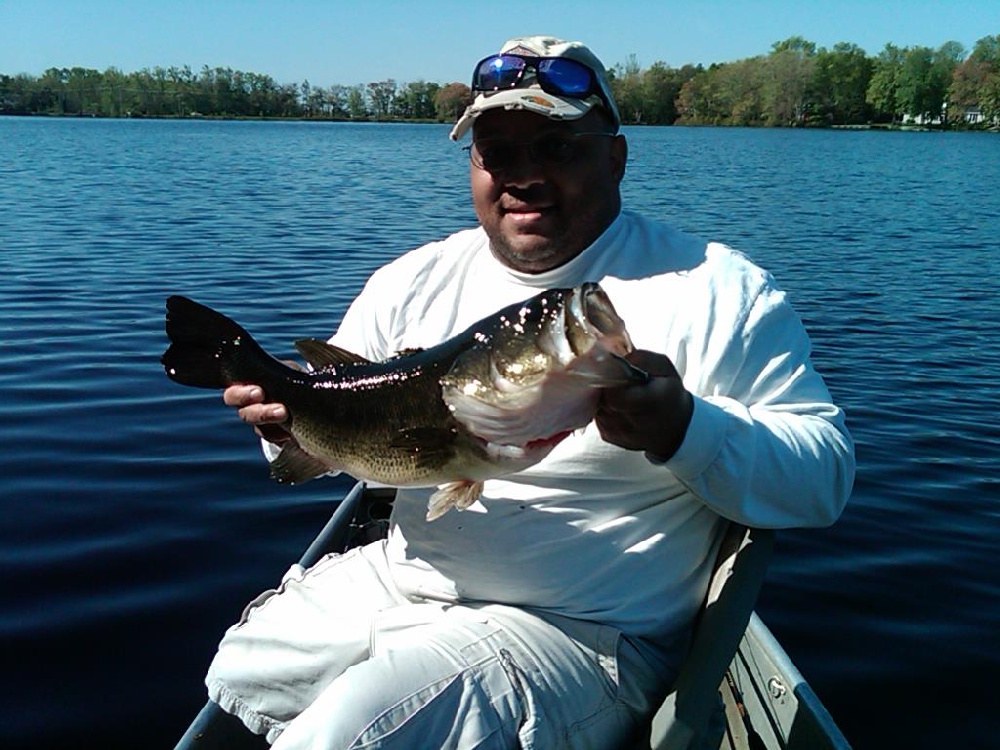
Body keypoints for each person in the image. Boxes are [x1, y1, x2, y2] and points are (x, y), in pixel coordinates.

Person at [207, 35, 855, 749]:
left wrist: (684, 428)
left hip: (583, 632)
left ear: (614, 155)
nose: (524, 175)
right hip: (407, 583)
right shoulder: (411, 281)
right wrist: (284, 426)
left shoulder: (715, 290)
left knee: (345, 732)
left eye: (556, 147)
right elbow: (346, 448)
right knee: (241, 670)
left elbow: (822, 479)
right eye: (499, 153)